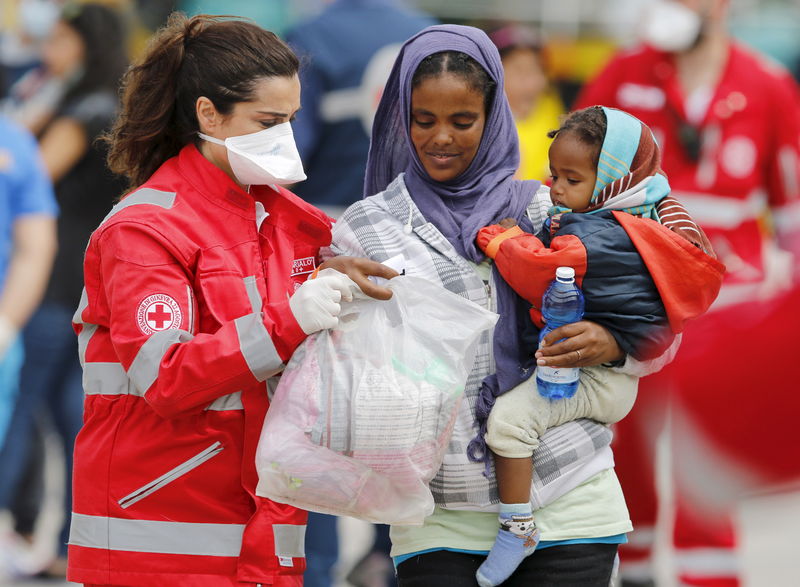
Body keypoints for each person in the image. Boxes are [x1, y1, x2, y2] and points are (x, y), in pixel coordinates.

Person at [328, 24, 678, 586]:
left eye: (463, 121)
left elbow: (661, 323)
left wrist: (614, 345)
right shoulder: (366, 229)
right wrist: (328, 290)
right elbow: (335, 363)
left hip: (570, 499)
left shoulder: (550, 209)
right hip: (439, 513)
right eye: (423, 120)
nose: (441, 138)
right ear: (400, 117)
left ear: (494, 119)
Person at [66, 13, 396, 586]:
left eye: (291, 120)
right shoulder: (145, 230)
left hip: (266, 541)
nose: (286, 139)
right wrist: (291, 319)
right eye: (268, 122)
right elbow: (165, 377)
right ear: (207, 113)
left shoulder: (292, 223)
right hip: (155, 541)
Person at [574, 1, 800, 585]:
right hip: (639, 301)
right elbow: (574, 175)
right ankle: (636, 571)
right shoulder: (625, 74)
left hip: (733, 313)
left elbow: (793, 210)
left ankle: (713, 576)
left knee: (712, 469)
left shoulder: (768, 85)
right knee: (628, 454)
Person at [472, 105, 723, 586]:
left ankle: (517, 526)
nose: (556, 190)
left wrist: (499, 238)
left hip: (600, 377)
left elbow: (538, 271)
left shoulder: (605, 233)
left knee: (509, 424)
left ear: (610, 180)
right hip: (606, 373)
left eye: (570, 179)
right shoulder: (653, 213)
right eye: (553, 175)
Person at [0, 4, 129, 577]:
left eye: (58, 40)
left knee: (21, 409)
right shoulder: (117, 106)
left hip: (50, 283)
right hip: (87, 280)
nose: (47, 51)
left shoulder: (82, 111)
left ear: (83, 44)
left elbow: (27, 176)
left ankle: (20, 528)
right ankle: (67, 543)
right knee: (75, 421)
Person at [285, 0, 435, 214]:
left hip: (323, 218)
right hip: (411, 220)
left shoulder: (311, 35)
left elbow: (289, 154)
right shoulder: (428, 31)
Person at [487, 23, 564, 181]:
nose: (529, 81)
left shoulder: (552, 110)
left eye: (537, 69)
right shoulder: (485, 124)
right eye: (518, 70)